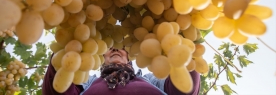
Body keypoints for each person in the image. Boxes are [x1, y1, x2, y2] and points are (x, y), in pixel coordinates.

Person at [42, 47, 200, 95]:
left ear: (129, 58)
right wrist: (66, 53)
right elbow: (58, 90)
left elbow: (184, 89)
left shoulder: (151, 79)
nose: (115, 49)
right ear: (101, 56)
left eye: (122, 48)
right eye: (109, 48)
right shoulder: (88, 80)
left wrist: (183, 52)